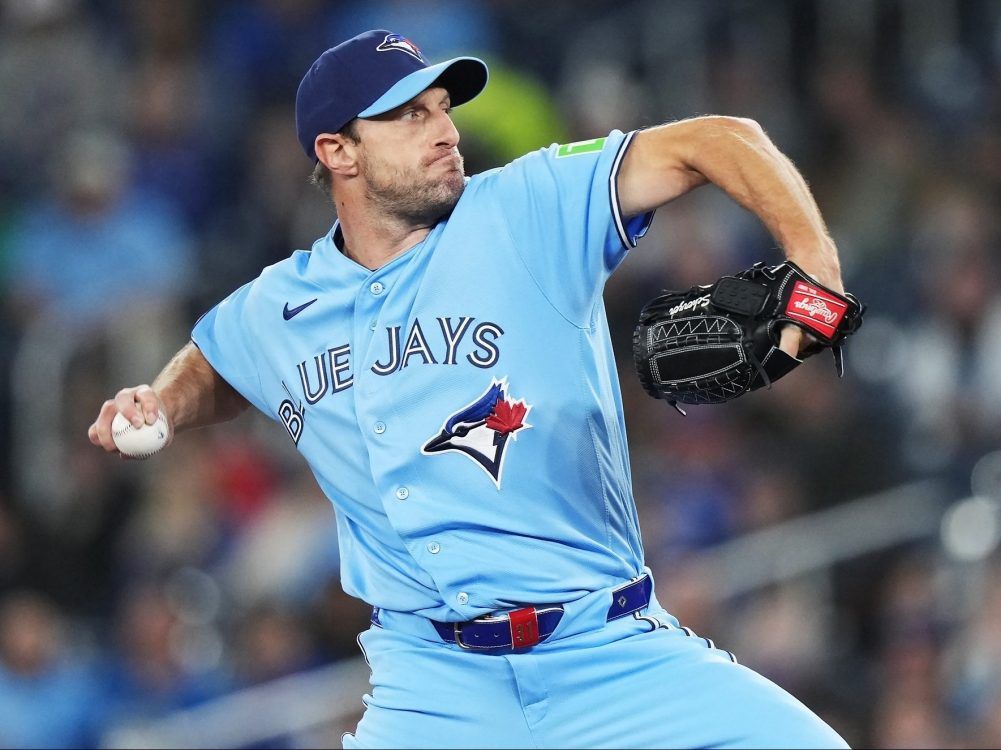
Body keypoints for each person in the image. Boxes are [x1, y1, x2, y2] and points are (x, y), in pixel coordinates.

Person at [89, 29, 850, 749]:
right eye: (410, 115)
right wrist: (159, 401)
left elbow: (720, 140)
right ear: (337, 150)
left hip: (610, 652)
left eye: (443, 109)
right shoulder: (279, 305)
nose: (445, 130)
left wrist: (813, 261)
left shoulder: (527, 208)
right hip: (433, 685)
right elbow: (216, 363)